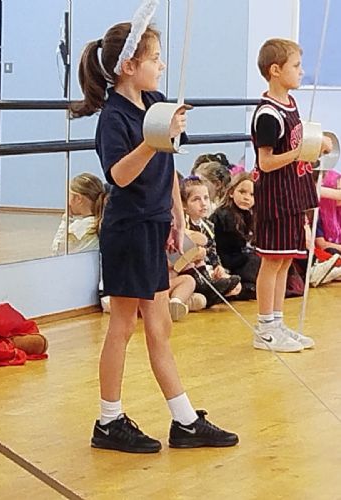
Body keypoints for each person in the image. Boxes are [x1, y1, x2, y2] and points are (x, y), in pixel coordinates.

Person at [72, 3, 238, 453]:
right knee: (123, 325)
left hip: (153, 225)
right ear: (129, 66)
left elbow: (167, 167)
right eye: (154, 59)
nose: (161, 65)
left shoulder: (152, 103)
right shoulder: (114, 117)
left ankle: (184, 421)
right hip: (127, 231)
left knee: (159, 326)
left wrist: (176, 213)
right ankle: (109, 421)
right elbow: (120, 175)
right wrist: (152, 138)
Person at [251, 38, 332, 352]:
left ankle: (277, 322)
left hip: (294, 195)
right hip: (275, 198)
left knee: (285, 260)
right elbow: (266, 162)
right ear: (275, 70)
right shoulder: (268, 114)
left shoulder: (291, 104)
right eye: (296, 66)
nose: (301, 71)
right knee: (271, 261)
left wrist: (316, 145)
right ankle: (264, 328)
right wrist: (301, 151)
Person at [179, 176, 242, 307]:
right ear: (184, 205)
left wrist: (218, 267)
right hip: (189, 270)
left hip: (206, 269)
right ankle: (209, 292)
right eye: (196, 199)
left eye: (206, 198)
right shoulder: (183, 225)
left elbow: (212, 251)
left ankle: (212, 293)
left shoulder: (209, 225)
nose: (203, 203)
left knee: (236, 285)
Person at [211, 172, 260, 300]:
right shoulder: (223, 215)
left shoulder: (251, 216)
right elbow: (224, 249)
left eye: (252, 194)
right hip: (227, 261)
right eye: (242, 192)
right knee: (255, 261)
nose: (246, 198)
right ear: (231, 192)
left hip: (241, 259)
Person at [52, 173, 107, 255]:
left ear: (78, 198)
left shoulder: (79, 228)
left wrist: (66, 220)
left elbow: (57, 250)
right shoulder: (104, 223)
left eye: (69, 195)